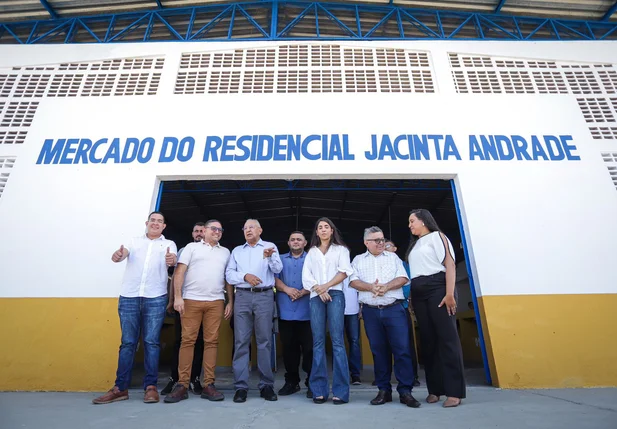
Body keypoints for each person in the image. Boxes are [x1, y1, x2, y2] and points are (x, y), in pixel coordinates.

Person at [92, 211, 177, 405]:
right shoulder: (133, 241)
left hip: (155, 297)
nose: (155, 224)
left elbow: (171, 260)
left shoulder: (169, 244)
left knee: (152, 342)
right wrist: (119, 255)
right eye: (153, 220)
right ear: (147, 223)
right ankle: (120, 388)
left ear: (164, 226)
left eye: (160, 221)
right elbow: (123, 254)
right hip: (129, 297)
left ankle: (151, 387)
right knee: (128, 343)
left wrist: (171, 261)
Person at [350, 227, 421, 408]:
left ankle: (405, 391)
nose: (381, 243)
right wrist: (370, 287)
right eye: (376, 240)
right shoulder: (358, 260)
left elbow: (403, 278)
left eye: (382, 239)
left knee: (402, 350)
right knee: (378, 351)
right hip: (371, 311)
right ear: (366, 242)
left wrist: (386, 287)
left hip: (394, 309)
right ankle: (384, 390)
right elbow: (353, 281)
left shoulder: (393, 258)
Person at [164, 219, 233, 403]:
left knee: (212, 342)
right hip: (191, 300)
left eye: (220, 229)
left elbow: (228, 279)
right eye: (214, 229)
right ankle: (182, 385)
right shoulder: (191, 248)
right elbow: (178, 273)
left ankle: (209, 384)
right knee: (187, 341)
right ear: (205, 231)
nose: (217, 232)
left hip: (216, 301)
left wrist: (230, 301)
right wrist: (178, 298)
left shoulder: (226, 252)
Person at [406, 209, 466, 408]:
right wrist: (413, 297)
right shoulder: (414, 245)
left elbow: (449, 264)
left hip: (438, 289)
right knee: (429, 341)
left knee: (447, 339)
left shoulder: (438, 237)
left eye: (412, 221)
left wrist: (450, 293)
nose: (410, 225)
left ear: (423, 221)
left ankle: (454, 392)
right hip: (419, 292)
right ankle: (435, 390)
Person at [226, 219, 282, 403]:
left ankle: (266, 385)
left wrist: (270, 257)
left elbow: (278, 269)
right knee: (241, 341)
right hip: (242, 296)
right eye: (245, 228)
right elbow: (229, 274)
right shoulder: (237, 251)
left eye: (252, 227)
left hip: (264, 296)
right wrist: (245, 276)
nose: (248, 230)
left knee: (264, 340)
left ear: (260, 230)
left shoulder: (269, 247)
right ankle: (241, 387)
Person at [302, 217, 353, 405]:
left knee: (338, 342)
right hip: (316, 297)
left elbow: (344, 271)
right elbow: (306, 277)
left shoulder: (341, 250)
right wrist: (318, 288)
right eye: (320, 227)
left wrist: (325, 287)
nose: (323, 230)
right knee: (318, 343)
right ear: (316, 232)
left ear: (332, 231)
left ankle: (341, 391)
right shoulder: (311, 253)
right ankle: (319, 390)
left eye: (326, 227)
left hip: (336, 296)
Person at [161, 222, 206, 396]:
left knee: (200, 342)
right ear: (192, 233)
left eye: (202, 231)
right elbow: (175, 279)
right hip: (184, 304)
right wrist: (172, 300)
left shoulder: (214, 251)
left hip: (205, 303)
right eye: (196, 231)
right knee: (180, 341)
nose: (199, 234)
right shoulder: (183, 251)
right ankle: (175, 379)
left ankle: (194, 379)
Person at [275, 231, 313, 398]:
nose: (296, 242)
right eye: (293, 240)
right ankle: (292, 382)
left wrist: (304, 291)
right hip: (286, 312)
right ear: (288, 243)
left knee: (310, 349)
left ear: (305, 243)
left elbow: (319, 278)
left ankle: (312, 381)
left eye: (299, 239)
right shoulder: (280, 259)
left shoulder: (312, 259)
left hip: (309, 312)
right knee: (289, 350)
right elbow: (273, 277)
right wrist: (287, 289)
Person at [385, 239, 420, 387]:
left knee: (405, 345)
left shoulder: (404, 266)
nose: (385, 248)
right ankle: (385, 378)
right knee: (384, 345)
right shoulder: (382, 266)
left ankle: (412, 376)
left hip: (400, 308)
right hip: (383, 308)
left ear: (395, 248)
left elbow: (407, 287)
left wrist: (388, 291)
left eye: (388, 246)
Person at [342, 277, 362, 385]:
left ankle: (355, 374)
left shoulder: (353, 270)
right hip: (336, 310)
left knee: (354, 341)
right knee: (338, 343)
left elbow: (360, 289)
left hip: (353, 310)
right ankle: (341, 374)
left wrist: (361, 308)